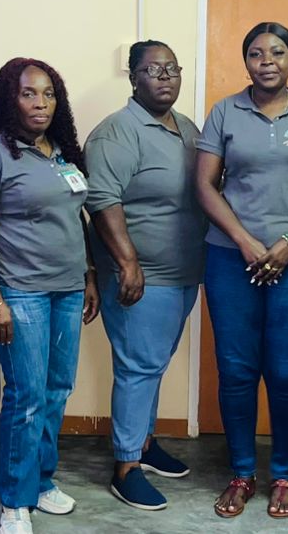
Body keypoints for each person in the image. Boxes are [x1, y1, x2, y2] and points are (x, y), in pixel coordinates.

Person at [195, 22, 288, 521]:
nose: (267, 62)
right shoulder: (224, 112)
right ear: (246, 62)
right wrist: (245, 240)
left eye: (277, 53)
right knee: (236, 370)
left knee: (286, 373)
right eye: (256, 54)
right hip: (230, 259)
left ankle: (283, 475)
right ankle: (241, 473)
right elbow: (205, 185)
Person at [0, 57, 100, 534]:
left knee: (57, 390)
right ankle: (15, 503)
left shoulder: (61, 152)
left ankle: (41, 481)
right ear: (9, 99)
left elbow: (75, 220)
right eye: (28, 93)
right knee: (26, 396)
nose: (41, 103)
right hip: (20, 293)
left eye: (49, 93)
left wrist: (88, 275)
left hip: (67, 290)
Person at [85, 41, 205, 511]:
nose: (165, 77)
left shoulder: (187, 128)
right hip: (140, 277)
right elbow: (102, 201)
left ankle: (145, 443)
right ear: (133, 78)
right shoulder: (117, 132)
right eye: (153, 70)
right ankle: (126, 467)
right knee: (138, 367)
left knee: (154, 363)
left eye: (172, 68)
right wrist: (128, 262)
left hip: (182, 273)